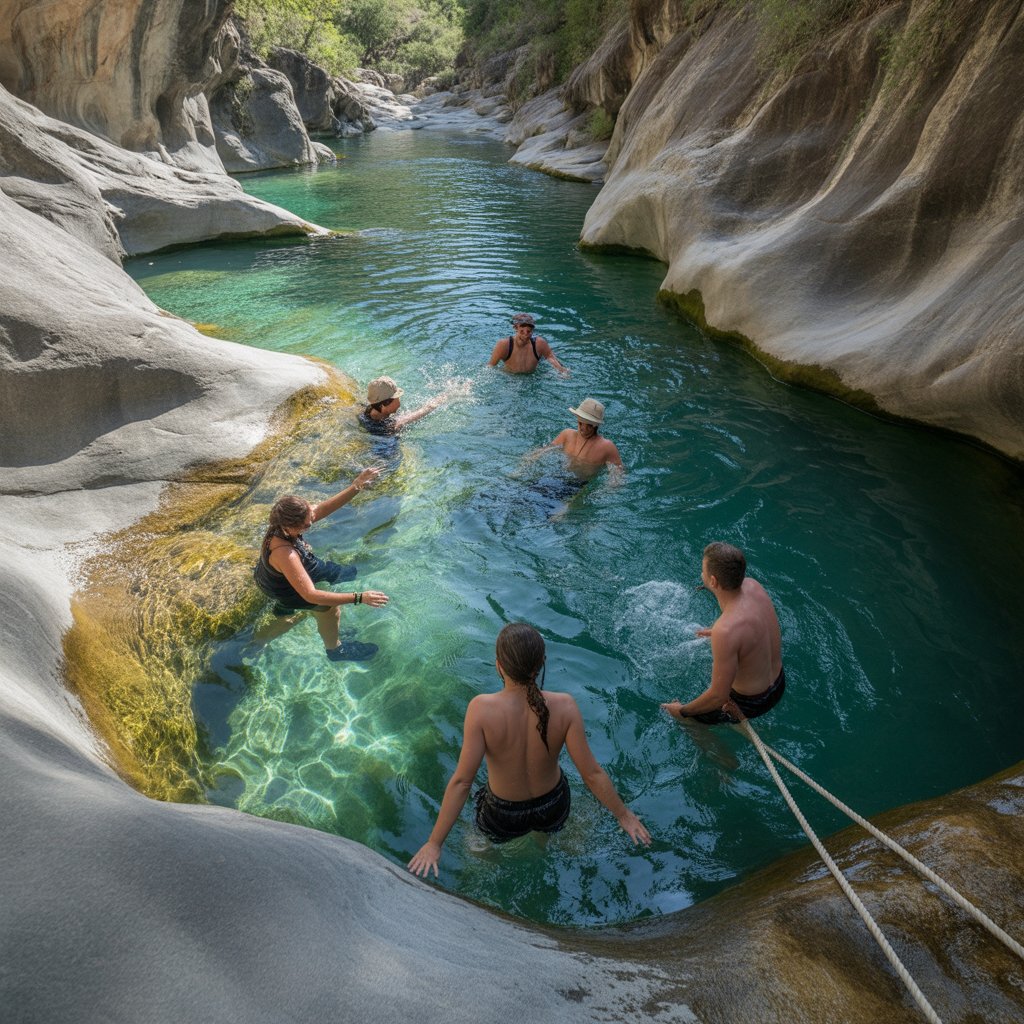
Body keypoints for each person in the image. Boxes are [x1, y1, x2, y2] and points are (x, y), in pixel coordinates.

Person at [408, 623, 650, 877]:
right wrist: (624, 815)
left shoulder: (480, 709)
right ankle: (541, 846)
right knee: (544, 837)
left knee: (475, 845)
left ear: (499, 665)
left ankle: (498, 868)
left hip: (503, 813)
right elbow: (591, 774)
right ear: (541, 663)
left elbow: (461, 783)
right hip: (553, 805)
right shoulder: (565, 706)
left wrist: (434, 843)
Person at [253, 468, 389, 662]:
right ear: (289, 526)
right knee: (329, 609)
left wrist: (356, 486)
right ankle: (335, 650)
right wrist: (360, 597)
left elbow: (322, 509)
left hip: (274, 575)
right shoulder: (286, 554)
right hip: (283, 589)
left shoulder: (282, 522)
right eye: (307, 525)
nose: (311, 524)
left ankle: (286, 611)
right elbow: (310, 594)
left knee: (336, 581)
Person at [661, 542, 785, 725]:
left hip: (749, 704)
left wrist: (682, 711)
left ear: (713, 581)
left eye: (703, 571)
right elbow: (753, 624)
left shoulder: (726, 630)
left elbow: (717, 697)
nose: (701, 574)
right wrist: (724, 633)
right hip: (779, 684)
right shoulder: (754, 586)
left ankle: (720, 751)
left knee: (686, 723)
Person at [542, 398, 623, 476]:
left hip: (578, 485)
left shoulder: (607, 447)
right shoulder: (566, 435)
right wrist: (530, 459)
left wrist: (608, 488)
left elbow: (618, 474)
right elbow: (545, 450)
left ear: (596, 426)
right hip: (555, 475)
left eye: (589, 426)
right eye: (580, 423)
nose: (583, 429)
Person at [359, 376, 454, 435]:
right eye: (397, 397)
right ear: (384, 405)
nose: (399, 400)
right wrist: (448, 395)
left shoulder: (367, 412)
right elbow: (426, 409)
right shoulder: (392, 425)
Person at [488, 313, 569, 375]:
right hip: (510, 377)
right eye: (522, 331)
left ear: (533, 330)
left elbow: (550, 357)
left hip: (532, 378)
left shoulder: (540, 343)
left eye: (529, 331)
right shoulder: (504, 345)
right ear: (515, 328)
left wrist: (562, 371)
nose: (526, 334)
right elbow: (490, 366)